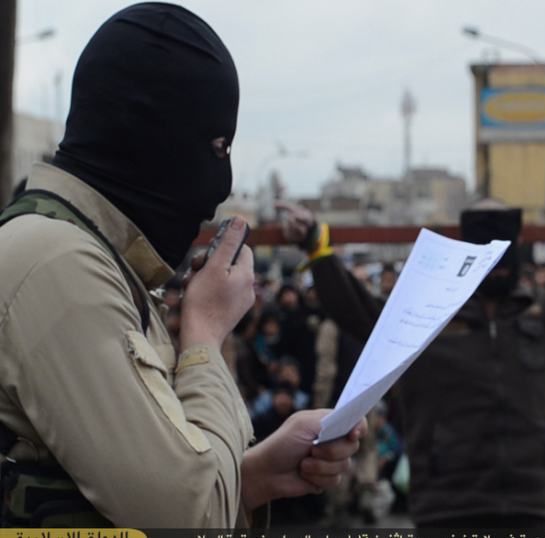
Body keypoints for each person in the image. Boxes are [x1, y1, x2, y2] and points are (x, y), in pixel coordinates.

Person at [0, 4, 363, 527]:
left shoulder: (88, 256)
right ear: (152, 136)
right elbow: (188, 517)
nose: (222, 186)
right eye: (216, 147)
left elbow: (141, 486)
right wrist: (205, 334)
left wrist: (255, 478)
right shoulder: (59, 266)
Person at [278, 198, 545, 528]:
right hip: (445, 507)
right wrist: (316, 244)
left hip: (529, 504)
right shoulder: (427, 315)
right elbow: (355, 308)